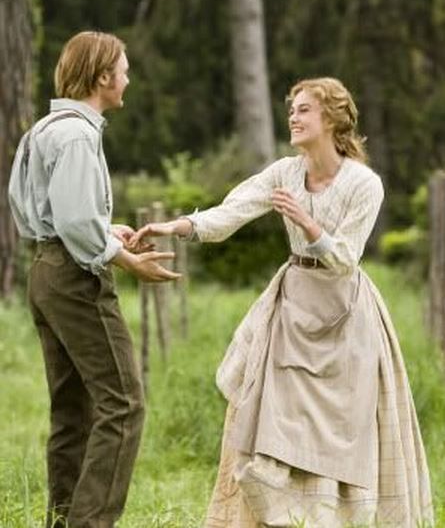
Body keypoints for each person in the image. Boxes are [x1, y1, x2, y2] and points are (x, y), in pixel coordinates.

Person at [130, 77, 433, 527]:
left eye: (304, 109)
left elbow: (346, 259)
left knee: (340, 431)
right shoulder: (285, 172)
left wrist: (309, 225)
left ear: (331, 118)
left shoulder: (364, 184)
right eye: (292, 109)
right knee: (273, 420)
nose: (293, 116)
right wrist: (175, 227)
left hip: (345, 316)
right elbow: (231, 211)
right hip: (291, 309)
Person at [8, 31, 180, 528]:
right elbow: (74, 223)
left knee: (72, 411)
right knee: (124, 405)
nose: (128, 78)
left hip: (44, 270)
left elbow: (46, 211)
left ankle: (62, 523)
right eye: (124, 69)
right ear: (104, 76)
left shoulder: (42, 129)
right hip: (74, 278)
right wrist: (125, 259)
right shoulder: (79, 135)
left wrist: (105, 230)